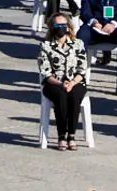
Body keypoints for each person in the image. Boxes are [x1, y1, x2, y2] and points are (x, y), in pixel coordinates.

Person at [38, 13, 88, 151]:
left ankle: (71, 135)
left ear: (68, 27)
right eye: (57, 25)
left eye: (63, 25)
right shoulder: (46, 45)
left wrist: (72, 82)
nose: (60, 28)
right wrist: (60, 83)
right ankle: (61, 135)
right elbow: (45, 71)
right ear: (51, 27)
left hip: (75, 81)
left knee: (74, 95)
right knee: (60, 96)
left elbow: (82, 68)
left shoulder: (78, 44)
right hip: (53, 83)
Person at [77, 0, 117, 96]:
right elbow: (85, 10)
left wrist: (113, 23)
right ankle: (79, 75)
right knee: (81, 36)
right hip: (96, 25)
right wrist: (93, 21)